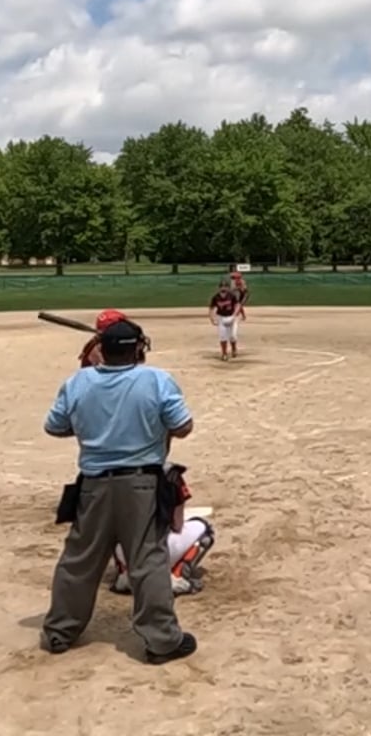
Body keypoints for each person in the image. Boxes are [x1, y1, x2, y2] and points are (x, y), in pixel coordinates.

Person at [40, 317, 198, 665]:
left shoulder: (79, 382)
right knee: (148, 561)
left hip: (93, 485)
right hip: (142, 485)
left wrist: (93, 427)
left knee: (79, 560)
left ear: (102, 350)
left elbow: (55, 426)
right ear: (138, 349)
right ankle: (161, 640)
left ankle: (59, 631)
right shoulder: (156, 380)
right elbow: (183, 426)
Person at [110, 462, 214, 597]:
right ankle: (177, 576)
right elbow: (177, 525)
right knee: (205, 528)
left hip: (127, 552)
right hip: (162, 551)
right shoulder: (171, 474)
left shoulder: (115, 470)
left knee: (113, 529)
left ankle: (125, 574)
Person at [209, 279, 243, 360]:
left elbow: (238, 305)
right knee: (223, 336)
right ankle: (224, 353)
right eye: (221, 286)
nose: (223, 288)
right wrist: (212, 318)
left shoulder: (232, 296)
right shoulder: (215, 297)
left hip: (232, 317)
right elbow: (211, 308)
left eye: (225, 286)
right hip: (221, 318)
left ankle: (234, 349)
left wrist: (235, 314)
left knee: (233, 336)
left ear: (228, 288)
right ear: (219, 288)